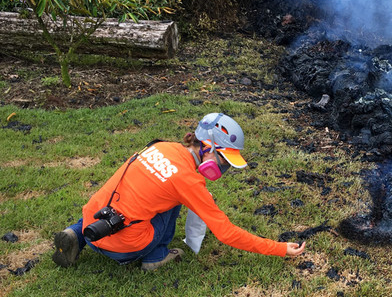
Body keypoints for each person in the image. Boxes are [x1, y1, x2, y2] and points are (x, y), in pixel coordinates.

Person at [52, 112, 306, 271]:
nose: (224, 168)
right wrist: (279, 248)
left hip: (92, 225)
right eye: (224, 161)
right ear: (208, 148)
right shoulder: (188, 182)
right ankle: (156, 256)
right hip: (123, 249)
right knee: (173, 201)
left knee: (126, 193)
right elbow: (227, 233)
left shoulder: (160, 146)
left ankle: (74, 234)